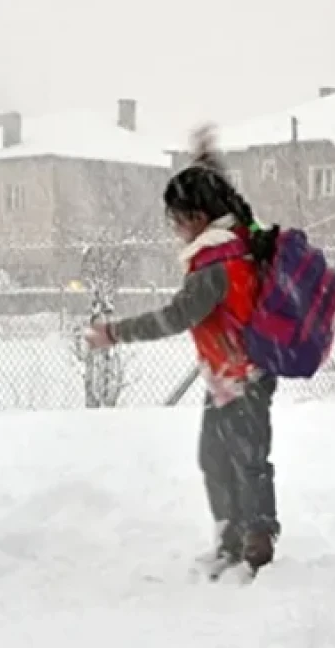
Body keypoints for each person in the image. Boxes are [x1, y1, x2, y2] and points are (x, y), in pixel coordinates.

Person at [83, 127, 280, 579]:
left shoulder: (217, 263)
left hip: (241, 375)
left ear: (197, 217)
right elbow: (232, 204)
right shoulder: (240, 237)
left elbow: (175, 317)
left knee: (245, 461)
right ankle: (235, 538)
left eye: (177, 220)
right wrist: (207, 166)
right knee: (219, 459)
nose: (174, 229)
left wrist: (115, 333)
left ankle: (256, 543)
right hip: (232, 374)